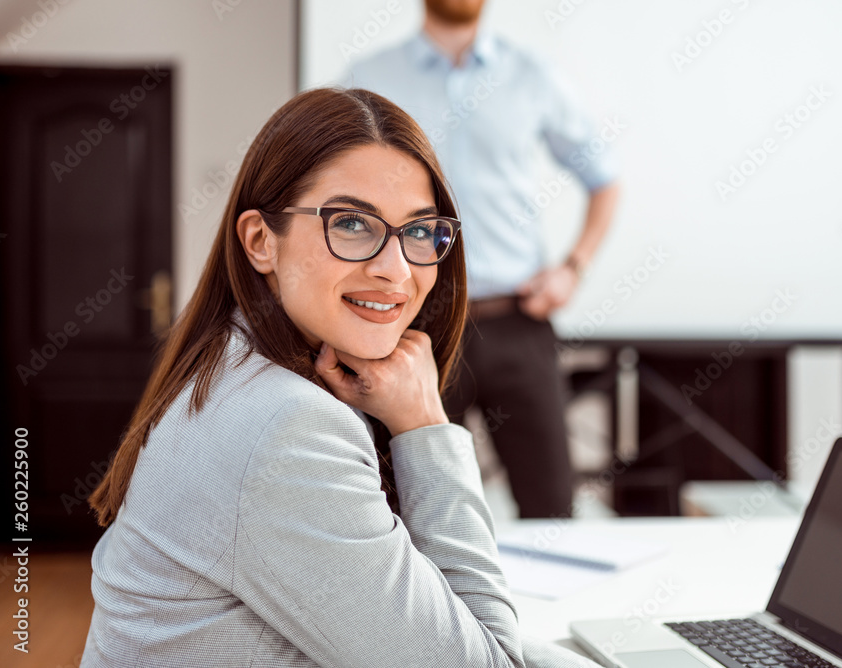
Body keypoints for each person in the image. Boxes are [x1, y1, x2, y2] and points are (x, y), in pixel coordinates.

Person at [80, 88, 599, 667]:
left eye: (421, 232)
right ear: (259, 242)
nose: (396, 270)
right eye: (352, 223)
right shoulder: (282, 425)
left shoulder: (237, 362)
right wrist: (424, 423)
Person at [345, 0, 621, 519]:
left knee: (551, 510)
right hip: (413, 327)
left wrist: (573, 267)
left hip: (517, 322)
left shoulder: (532, 75)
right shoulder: (368, 79)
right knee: (404, 510)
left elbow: (603, 177)